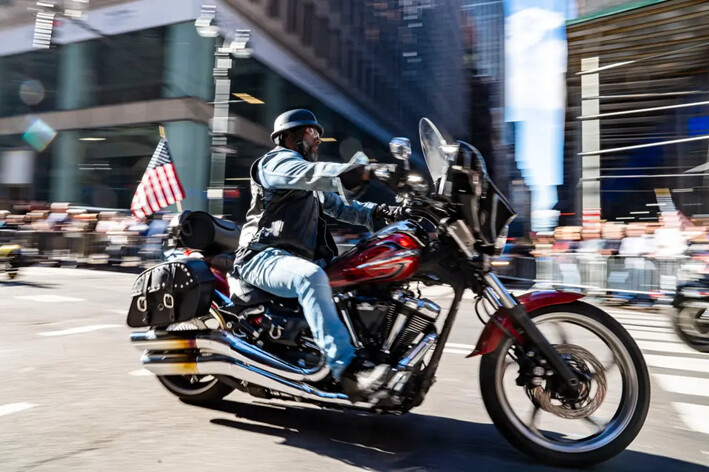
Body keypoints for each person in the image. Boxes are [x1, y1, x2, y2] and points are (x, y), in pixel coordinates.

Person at [232, 109, 402, 400]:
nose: (318, 139)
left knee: (358, 277)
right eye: (312, 133)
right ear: (288, 136)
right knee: (311, 277)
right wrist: (363, 170)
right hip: (261, 256)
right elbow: (310, 174)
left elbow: (342, 208)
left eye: (318, 134)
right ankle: (348, 371)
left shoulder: (307, 180)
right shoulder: (277, 162)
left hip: (293, 258)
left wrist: (386, 213)